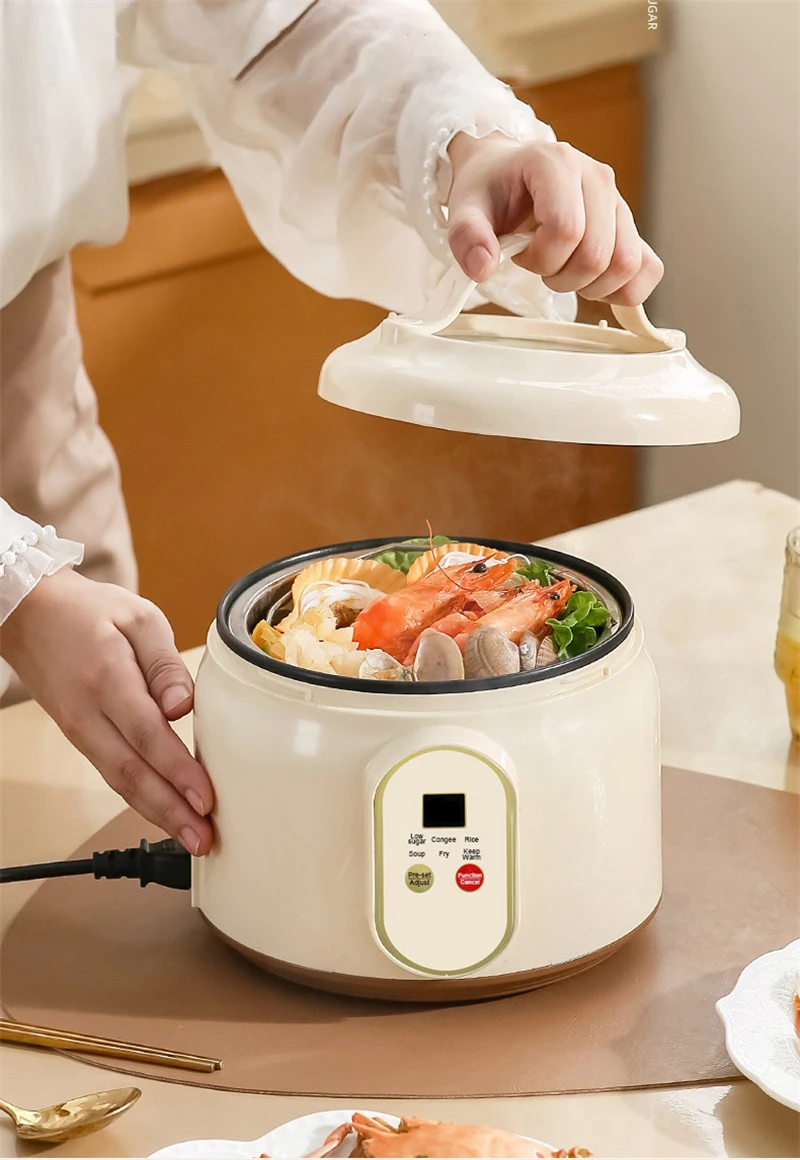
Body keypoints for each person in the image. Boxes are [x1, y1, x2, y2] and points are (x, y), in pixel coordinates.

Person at [0, 0, 663, 858]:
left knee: (71, 797)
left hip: (19, 345)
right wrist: (15, 586)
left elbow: (279, 15)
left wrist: (466, 140)